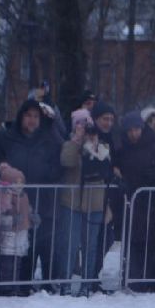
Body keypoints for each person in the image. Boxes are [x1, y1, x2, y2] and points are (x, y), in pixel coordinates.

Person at [0, 99, 64, 285]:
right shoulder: (5, 137)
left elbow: (59, 164)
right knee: (18, 246)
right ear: (21, 116)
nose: (32, 120)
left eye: (36, 116)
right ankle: (19, 284)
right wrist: (2, 167)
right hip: (13, 201)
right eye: (28, 115)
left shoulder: (49, 139)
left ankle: (49, 285)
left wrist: (47, 172)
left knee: (45, 245)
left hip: (44, 199)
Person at [57, 108, 114, 294]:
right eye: (80, 125)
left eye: (87, 125)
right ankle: (64, 284)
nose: (85, 129)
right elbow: (67, 162)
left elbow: (104, 170)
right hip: (72, 202)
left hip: (95, 203)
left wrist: (94, 146)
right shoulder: (69, 144)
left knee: (90, 246)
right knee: (70, 245)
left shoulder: (101, 146)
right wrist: (77, 141)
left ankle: (87, 284)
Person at [114, 110, 155, 289]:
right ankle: (132, 278)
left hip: (152, 203)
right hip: (131, 202)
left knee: (151, 243)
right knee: (132, 242)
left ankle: (150, 279)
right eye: (130, 130)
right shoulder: (122, 147)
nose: (133, 134)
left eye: (137, 129)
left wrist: (144, 176)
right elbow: (117, 167)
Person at [0, 164, 34, 295]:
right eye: (16, 183)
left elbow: (27, 210)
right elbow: (1, 214)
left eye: (21, 182)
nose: (19, 185)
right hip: (8, 233)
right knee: (7, 262)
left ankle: (15, 284)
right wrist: (11, 220)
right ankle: (5, 286)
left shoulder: (24, 196)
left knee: (17, 261)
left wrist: (31, 217)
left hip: (21, 232)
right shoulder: (5, 195)